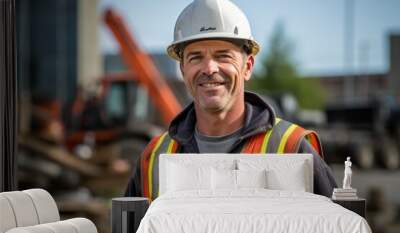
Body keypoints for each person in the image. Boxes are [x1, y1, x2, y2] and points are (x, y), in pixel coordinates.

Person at [125, 0, 337, 200]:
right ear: (183, 69)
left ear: (248, 67)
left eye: (223, 55)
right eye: (196, 57)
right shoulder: (153, 158)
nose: (209, 69)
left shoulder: (291, 148)